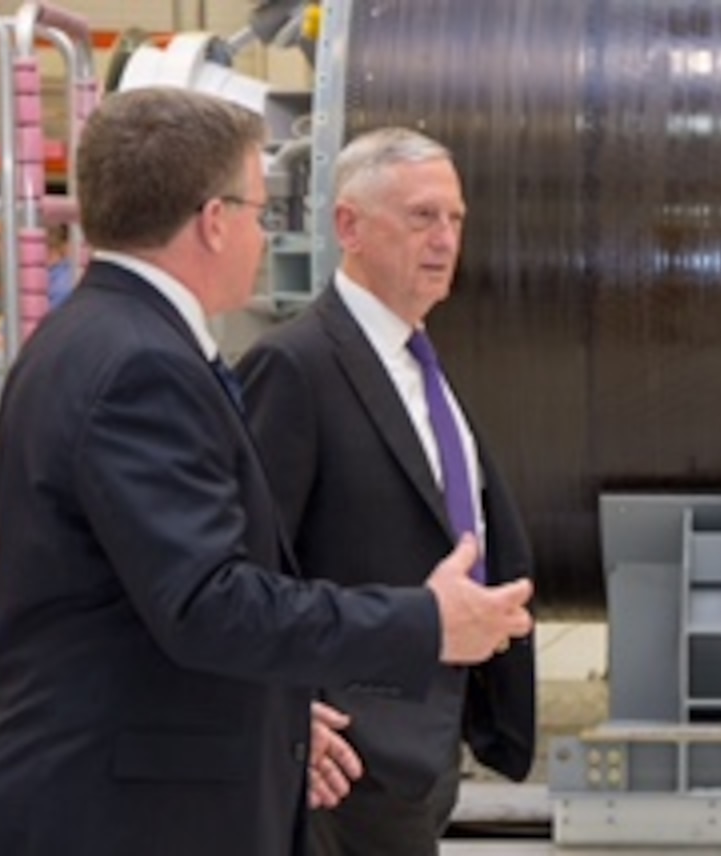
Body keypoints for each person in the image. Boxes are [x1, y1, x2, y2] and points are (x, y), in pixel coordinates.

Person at [0, 88, 533, 856]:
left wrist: (283, 710)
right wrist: (424, 622)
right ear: (212, 219)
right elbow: (209, 601)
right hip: (119, 811)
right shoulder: (141, 366)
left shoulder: (92, 339)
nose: (265, 237)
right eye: (261, 213)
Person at [236, 127, 536, 856]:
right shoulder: (295, 365)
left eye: (455, 219)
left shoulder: (417, 362)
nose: (444, 239)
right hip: (340, 758)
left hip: (423, 743)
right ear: (349, 226)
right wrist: (283, 713)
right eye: (421, 217)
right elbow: (246, 565)